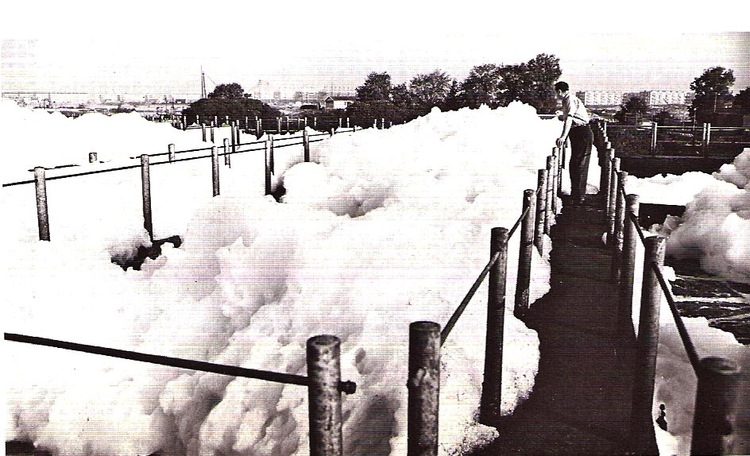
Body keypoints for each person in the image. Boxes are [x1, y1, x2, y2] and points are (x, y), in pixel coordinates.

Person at [554, 81, 593, 205]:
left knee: (579, 164)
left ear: (560, 91)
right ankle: (576, 195)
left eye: (556, 93)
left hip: (582, 132)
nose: (556, 96)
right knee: (575, 164)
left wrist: (563, 137)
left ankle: (578, 197)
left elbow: (570, 119)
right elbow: (570, 118)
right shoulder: (567, 101)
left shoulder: (570, 99)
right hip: (577, 132)